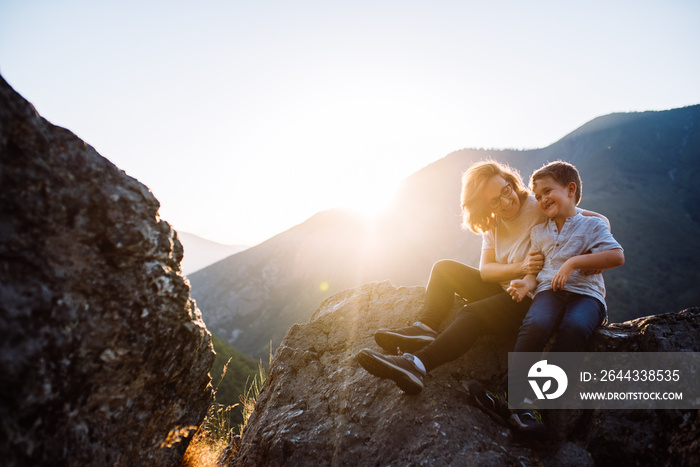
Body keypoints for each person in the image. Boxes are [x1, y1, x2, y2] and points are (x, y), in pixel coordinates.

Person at [356, 160, 609, 421]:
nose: (505, 202)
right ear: (484, 207)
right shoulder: (493, 225)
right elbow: (486, 271)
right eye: (494, 202)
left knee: (472, 314)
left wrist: (591, 254)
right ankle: (426, 328)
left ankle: (417, 364)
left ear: (511, 183)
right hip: (508, 285)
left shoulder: (538, 205)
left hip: (529, 296)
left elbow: (595, 219)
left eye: (506, 191)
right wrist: (520, 266)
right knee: (444, 269)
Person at [505, 160, 624, 431]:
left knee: (575, 326)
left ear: (571, 189)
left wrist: (572, 263)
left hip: (587, 295)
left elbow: (617, 255)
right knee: (536, 323)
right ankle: (515, 400)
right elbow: (534, 269)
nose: (542, 199)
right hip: (548, 291)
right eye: (538, 196)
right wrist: (526, 284)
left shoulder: (592, 225)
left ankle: (543, 399)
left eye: (548, 191)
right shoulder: (539, 232)